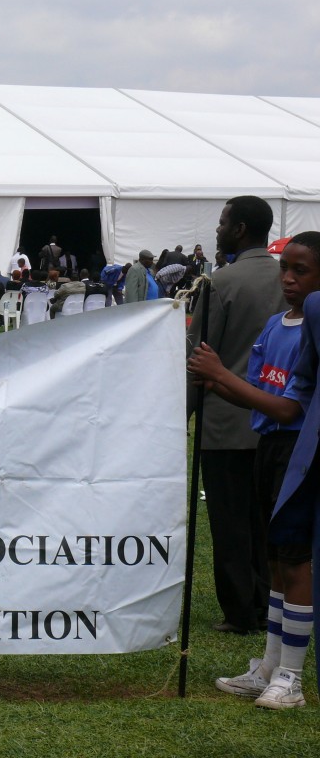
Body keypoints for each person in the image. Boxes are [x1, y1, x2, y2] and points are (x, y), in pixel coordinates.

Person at [188, 231, 320, 710]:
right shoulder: (274, 325)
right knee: (274, 558)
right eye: (285, 268)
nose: (288, 279)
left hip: (299, 452)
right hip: (267, 448)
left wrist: (221, 374)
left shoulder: (313, 330)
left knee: (295, 559)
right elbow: (259, 394)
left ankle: (292, 678)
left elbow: (289, 409)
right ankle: (269, 666)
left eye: (301, 271)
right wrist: (215, 380)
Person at [187, 196, 287, 636]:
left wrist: (181, 416)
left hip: (225, 420)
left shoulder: (221, 282)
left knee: (229, 523)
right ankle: (268, 602)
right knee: (265, 521)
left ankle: (240, 611)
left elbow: (198, 356)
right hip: (277, 421)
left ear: (240, 229)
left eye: (223, 222)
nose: (218, 229)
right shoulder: (290, 278)